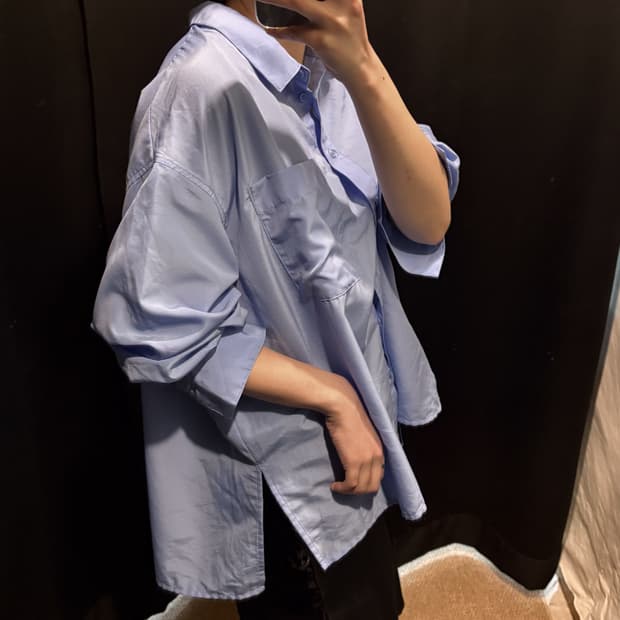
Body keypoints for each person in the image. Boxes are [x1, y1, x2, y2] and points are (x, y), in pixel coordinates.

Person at [91, 0, 461, 618]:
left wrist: (364, 68)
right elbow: (154, 321)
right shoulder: (195, 91)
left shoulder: (332, 63)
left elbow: (427, 223)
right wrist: (334, 397)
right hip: (291, 461)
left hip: (360, 420)